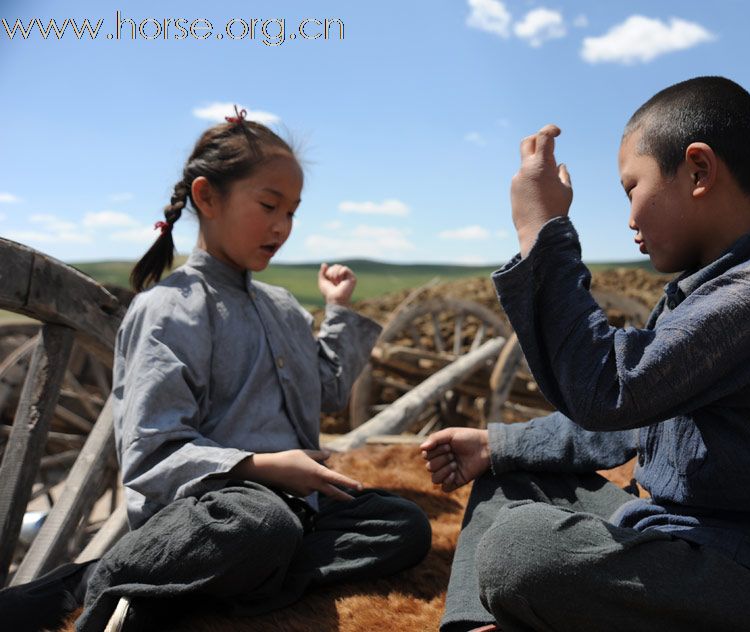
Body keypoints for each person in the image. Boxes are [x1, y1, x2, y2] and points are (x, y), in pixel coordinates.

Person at [421, 77, 750, 632]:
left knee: (518, 547)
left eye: (631, 188)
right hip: (682, 539)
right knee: (510, 480)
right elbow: (636, 425)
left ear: (699, 171)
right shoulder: (700, 294)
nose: (630, 218)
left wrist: (541, 230)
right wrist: (499, 443)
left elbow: (608, 392)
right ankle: (476, 625)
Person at [0, 108, 430, 632]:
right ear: (207, 197)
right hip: (214, 515)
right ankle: (104, 580)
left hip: (295, 514)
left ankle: (202, 588)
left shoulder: (285, 308)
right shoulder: (167, 309)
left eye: (292, 212)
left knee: (401, 524)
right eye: (269, 205)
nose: (282, 227)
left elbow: (331, 391)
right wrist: (260, 466)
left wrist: (336, 310)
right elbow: (152, 451)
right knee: (259, 524)